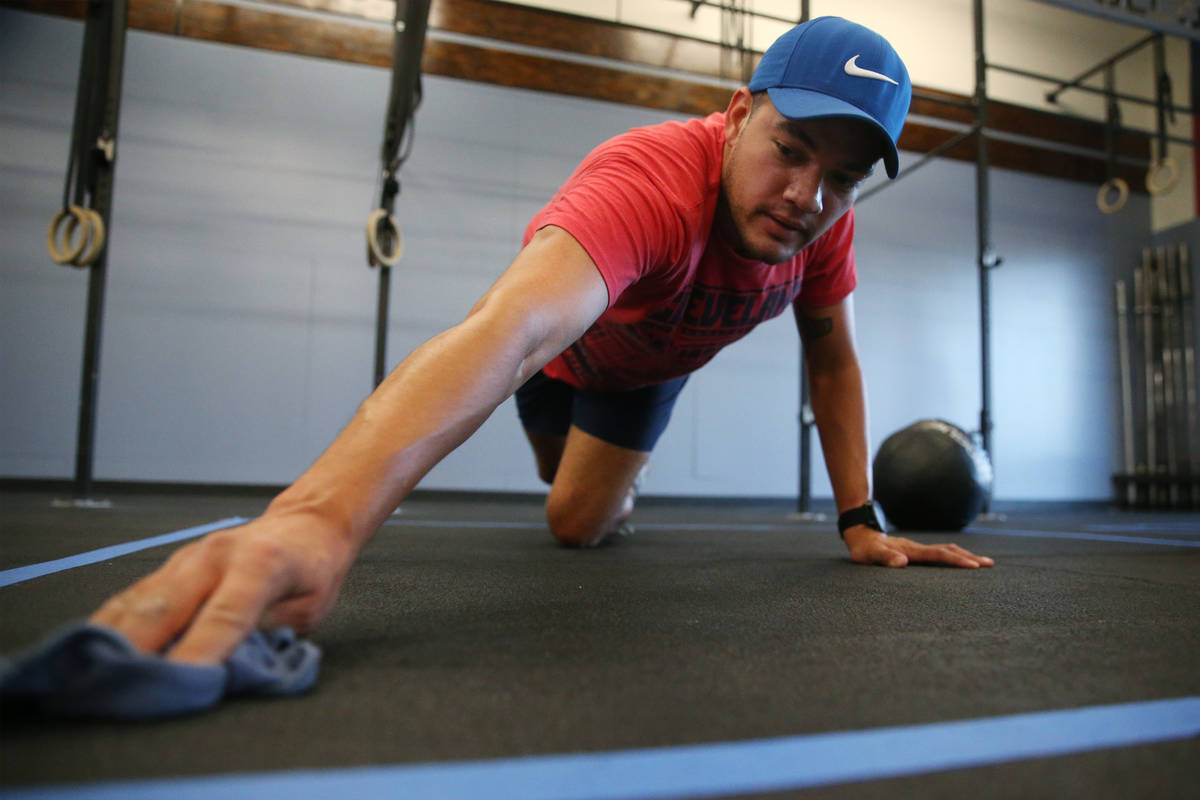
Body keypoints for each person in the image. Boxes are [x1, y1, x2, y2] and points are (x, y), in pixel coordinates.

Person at [91, 16, 993, 666]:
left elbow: (832, 361)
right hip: (557, 354)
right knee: (545, 430)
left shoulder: (826, 228)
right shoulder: (648, 183)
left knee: (576, 527)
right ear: (734, 114)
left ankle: (603, 482)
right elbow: (510, 332)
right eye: (790, 149)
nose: (807, 195)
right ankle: (568, 454)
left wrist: (857, 521)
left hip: (643, 379)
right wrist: (316, 526)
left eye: (838, 178)